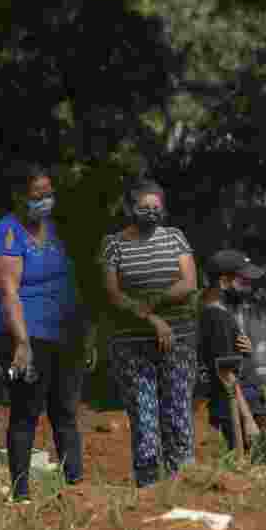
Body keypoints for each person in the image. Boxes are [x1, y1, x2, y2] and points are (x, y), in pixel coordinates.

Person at [0, 164, 94, 503]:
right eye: (37, 196)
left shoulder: (56, 231)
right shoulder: (6, 233)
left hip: (64, 335)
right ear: (20, 197)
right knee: (26, 412)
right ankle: (21, 494)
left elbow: (73, 284)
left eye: (48, 195)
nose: (45, 202)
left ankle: (75, 486)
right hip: (26, 337)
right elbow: (8, 291)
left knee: (65, 410)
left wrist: (85, 334)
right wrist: (22, 343)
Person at [100, 178, 198, 488]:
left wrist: (153, 301)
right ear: (130, 208)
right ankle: (148, 487)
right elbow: (113, 294)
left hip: (179, 342)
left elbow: (189, 283)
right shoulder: (113, 244)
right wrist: (152, 319)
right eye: (144, 208)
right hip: (131, 344)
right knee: (144, 417)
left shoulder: (175, 238)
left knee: (178, 414)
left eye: (157, 207)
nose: (151, 213)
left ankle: (181, 482)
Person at [198, 249, 266, 463]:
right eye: (243, 279)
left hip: (243, 407)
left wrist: (246, 353)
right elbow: (225, 372)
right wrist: (248, 420)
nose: (249, 285)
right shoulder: (216, 317)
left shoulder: (221, 313)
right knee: (257, 473)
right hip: (237, 412)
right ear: (223, 281)